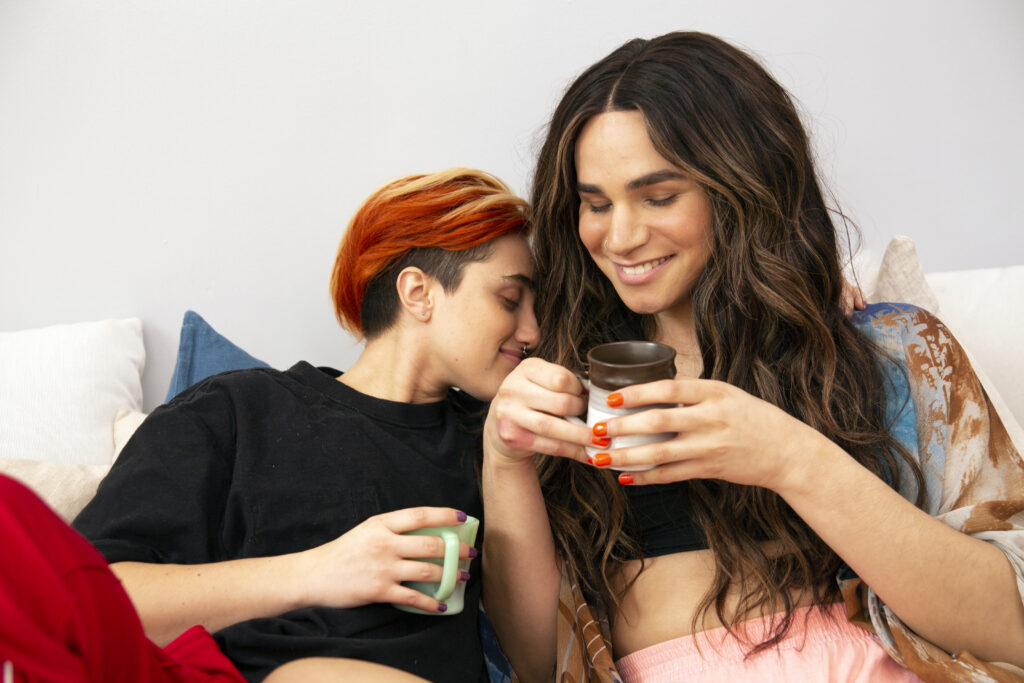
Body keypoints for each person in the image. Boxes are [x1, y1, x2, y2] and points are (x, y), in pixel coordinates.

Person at [480, 32, 1024, 682]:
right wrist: (504, 460)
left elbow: (1009, 626)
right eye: (593, 203)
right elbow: (536, 666)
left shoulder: (892, 352)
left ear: (743, 185)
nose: (618, 236)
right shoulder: (561, 390)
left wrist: (789, 458)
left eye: (659, 197)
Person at [58, 168, 539, 682]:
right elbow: (84, 604)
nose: (532, 331)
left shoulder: (493, 439)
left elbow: (538, 659)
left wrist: (510, 461)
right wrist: (322, 571)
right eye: (510, 300)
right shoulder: (236, 410)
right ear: (418, 292)